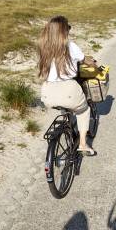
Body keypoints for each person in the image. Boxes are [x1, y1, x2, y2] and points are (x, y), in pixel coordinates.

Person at [38, 15, 97, 155]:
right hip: (68, 89)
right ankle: (82, 144)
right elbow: (85, 61)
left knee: (64, 105)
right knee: (83, 111)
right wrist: (94, 64)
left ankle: (67, 127)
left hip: (47, 92)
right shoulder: (71, 46)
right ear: (64, 31)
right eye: (68, 28)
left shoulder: (43, 48)